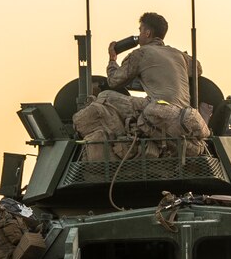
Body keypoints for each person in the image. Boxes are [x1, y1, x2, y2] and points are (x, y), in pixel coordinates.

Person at [73, 13, 209, 160]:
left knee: (105, 96)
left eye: (140, 30)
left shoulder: (140, 53)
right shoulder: (178, 54)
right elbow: (198, 68)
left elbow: (113, 81)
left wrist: (112, 58)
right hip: (183, 116)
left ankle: (118, 142)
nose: (139, 35)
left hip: (158, 111)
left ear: (147, 33)